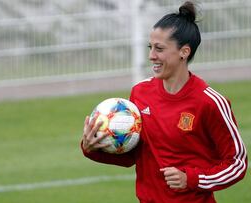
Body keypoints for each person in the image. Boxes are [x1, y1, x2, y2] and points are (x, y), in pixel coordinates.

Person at [80, 1, 248, 203]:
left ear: (184, 52)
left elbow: (237, 164)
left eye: (159, 49)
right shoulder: (140, 93)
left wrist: (192, 179)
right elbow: (134, 156)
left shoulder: (210, 102)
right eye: (150, 47)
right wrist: (93, 149)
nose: (151, 56)